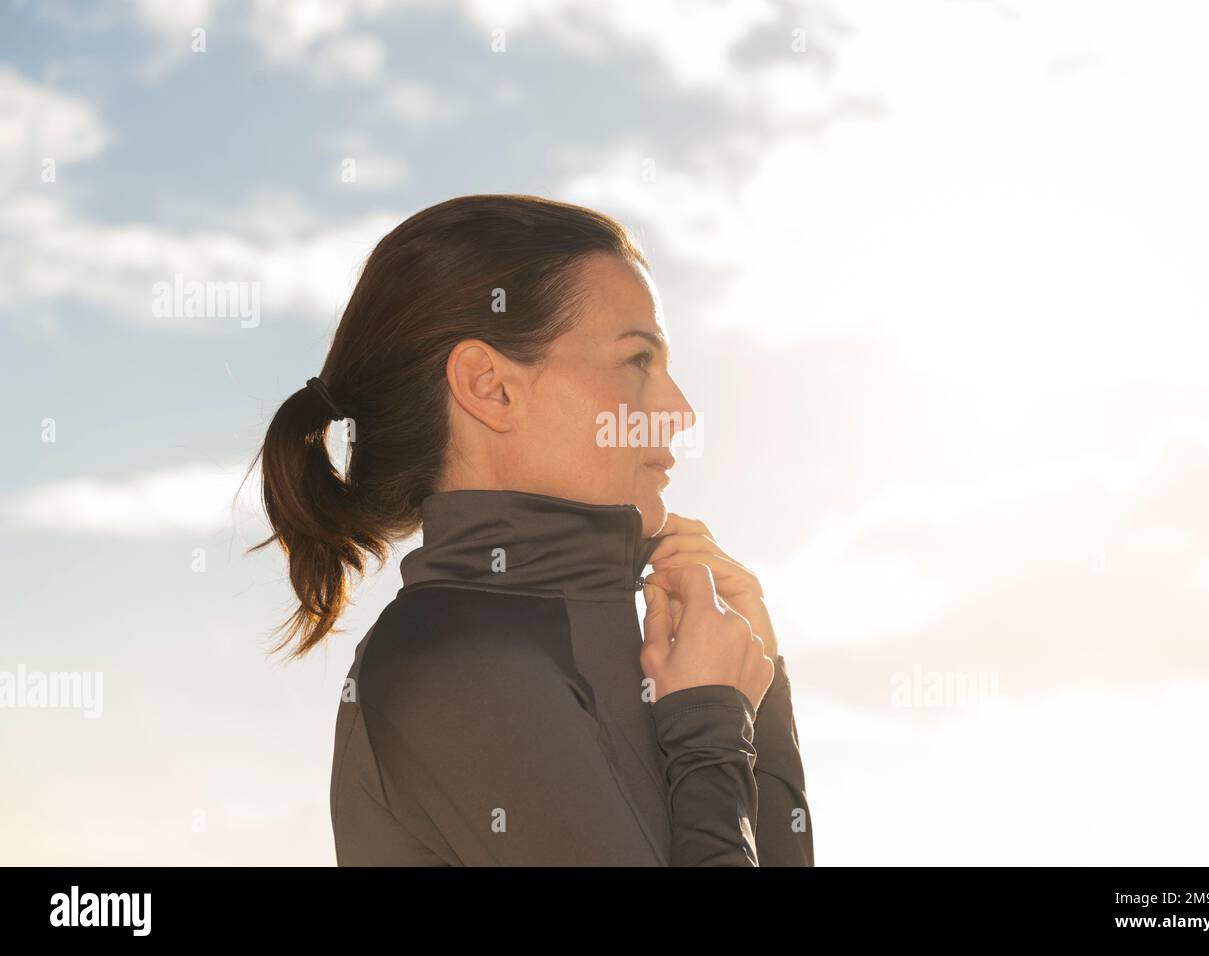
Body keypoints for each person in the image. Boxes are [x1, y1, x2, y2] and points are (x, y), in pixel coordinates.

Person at [248, 194, 813, 865]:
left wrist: (757, 695)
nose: (680, 411)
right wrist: (712, 728)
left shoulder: (607, 643)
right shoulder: (457, 662)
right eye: (638, 361)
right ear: (490, 387)